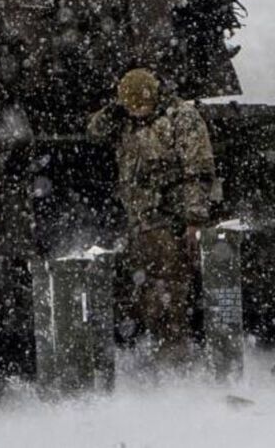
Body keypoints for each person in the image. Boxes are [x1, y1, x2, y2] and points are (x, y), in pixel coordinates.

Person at [89, 67, 217, 370]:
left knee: (170, 291)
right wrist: (115, 109)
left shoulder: (180, 118)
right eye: (130, 105)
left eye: (140, 104)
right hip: (140, 222)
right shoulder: (125, 120)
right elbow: (94, 130)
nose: (136, 111)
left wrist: (193, 220)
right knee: (144, 292)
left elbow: (198, 172)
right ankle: (153, 357)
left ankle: (174, 360)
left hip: (170, 219)